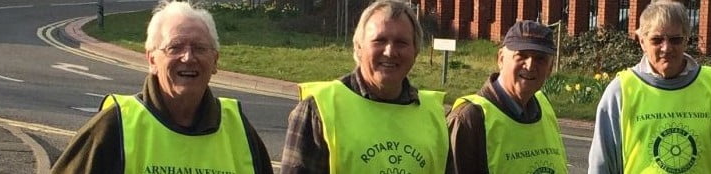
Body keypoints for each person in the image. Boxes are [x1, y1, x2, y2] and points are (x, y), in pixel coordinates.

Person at [51, 1, 273, 173]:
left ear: (215, 61)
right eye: (175, 47)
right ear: (152, 60)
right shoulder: (114, 126)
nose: (188, 57)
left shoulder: (240, 130)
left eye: (199, 47)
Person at [279, 0, 448, 173]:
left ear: (416, 51)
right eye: (379, 41)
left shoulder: (434, 115)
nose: (390, 52)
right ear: (359, 48)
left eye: (401, 43)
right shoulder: (318, 109)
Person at [585, 0, 711, 173]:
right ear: (642, 41)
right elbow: (602, 164)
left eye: (675, 40)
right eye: (657, 40)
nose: (666, 48)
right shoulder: (621, 91)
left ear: (686, 39)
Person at [446, 20, 569, 173]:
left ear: (550, 68)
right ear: (501, 59)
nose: (530, 65)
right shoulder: (470, 118)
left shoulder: (545, 108)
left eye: (540, 59)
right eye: (521, 55)